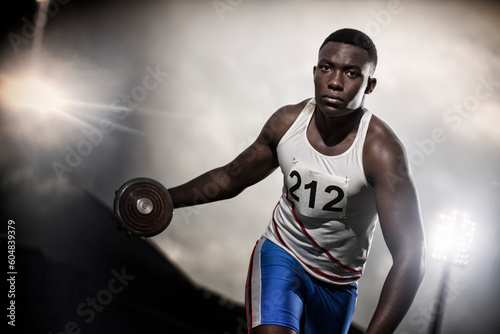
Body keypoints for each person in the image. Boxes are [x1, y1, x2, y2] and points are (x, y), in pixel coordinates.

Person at [166, 28, 426, 334]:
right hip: (282, 254)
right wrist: (162, 199)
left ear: (370, 85)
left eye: (351, 73)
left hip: (338, 285)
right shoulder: (286, 123)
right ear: (315, 72)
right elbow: (229, 178)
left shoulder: (381, 152)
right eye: (327, 68)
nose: (335, 82)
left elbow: (411, 256)